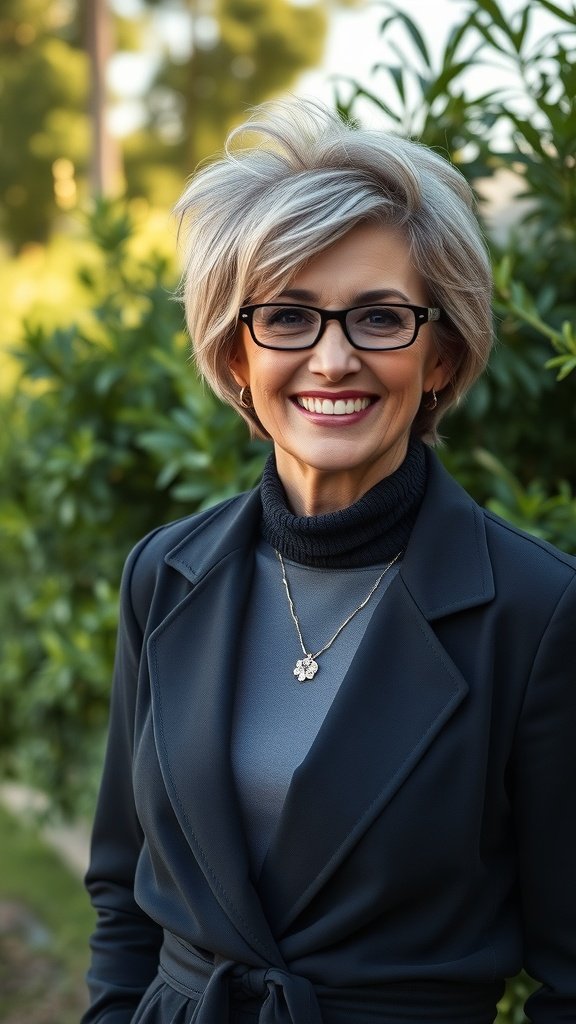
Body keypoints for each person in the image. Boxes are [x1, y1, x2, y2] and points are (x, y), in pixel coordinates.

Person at [81, 98, 576, 1024]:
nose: (334, 359)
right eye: (289, 317)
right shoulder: (164, 574)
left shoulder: (539, 611)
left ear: (440, 354)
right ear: (235, 353)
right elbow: (122, 887)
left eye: (381, 318)